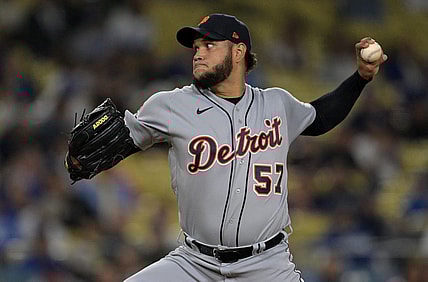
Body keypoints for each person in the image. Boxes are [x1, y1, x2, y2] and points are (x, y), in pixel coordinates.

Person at [120, 13, 386, 281]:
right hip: (194, 263)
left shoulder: (276, 104)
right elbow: (120, 142)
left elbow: (320, 117)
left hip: (267, 265)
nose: (198, 54)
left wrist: (359, 79)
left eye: (209, 45)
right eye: (197, 47)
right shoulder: (171, 105)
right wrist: (78, 161)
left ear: (238, 52)